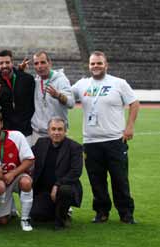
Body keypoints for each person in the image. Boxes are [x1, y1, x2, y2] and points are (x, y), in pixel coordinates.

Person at [71, 51, 140, 224]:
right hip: (91, 142)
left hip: (115, 140)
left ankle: (126, 213)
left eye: (99, 63)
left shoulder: (118, 83)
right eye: (93, 63)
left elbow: (134, 102)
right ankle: (101, 212)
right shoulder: (81, 84)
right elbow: (66, 97)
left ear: (106, 65)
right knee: (96, 181)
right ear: (88, 65)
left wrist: (130, 127)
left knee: (120, 179)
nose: (96, 66)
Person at [0, 111, 35, 231]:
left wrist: (13, 173)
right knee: (2, 221)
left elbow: (29, 160)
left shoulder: (16, 136)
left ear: (1, 124)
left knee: (26, 182)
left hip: (15, 177)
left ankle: (25, 219)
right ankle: (3, 206)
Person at [31, 117, 83, 229]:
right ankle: (56, 211)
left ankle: (62, 218)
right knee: (37, 215)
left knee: (65, 190)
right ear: (48, 131)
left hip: (64, 188)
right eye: (53, 129)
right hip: (44, 190)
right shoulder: (41, 143)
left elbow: (76, 171)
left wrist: (57, 184)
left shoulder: (75, 147)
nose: (56, 132)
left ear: (65, 131)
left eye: (60, 129)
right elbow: (27, 155)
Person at [30, 51, 74, 145]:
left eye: (42, 62)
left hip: (56, 133)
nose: (39, 66)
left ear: (49, 63)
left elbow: (71, 103)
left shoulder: (61, 80)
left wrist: (58, 96)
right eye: (36, 63)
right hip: (38, 133)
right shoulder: (36, 81)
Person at [0, 50, 35, 140]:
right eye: (1, 63)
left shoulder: (27, 79)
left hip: (27, 131)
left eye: (7, 62)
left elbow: (34, 102)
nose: (4, 66)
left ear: (12, 63)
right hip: (8, 132)